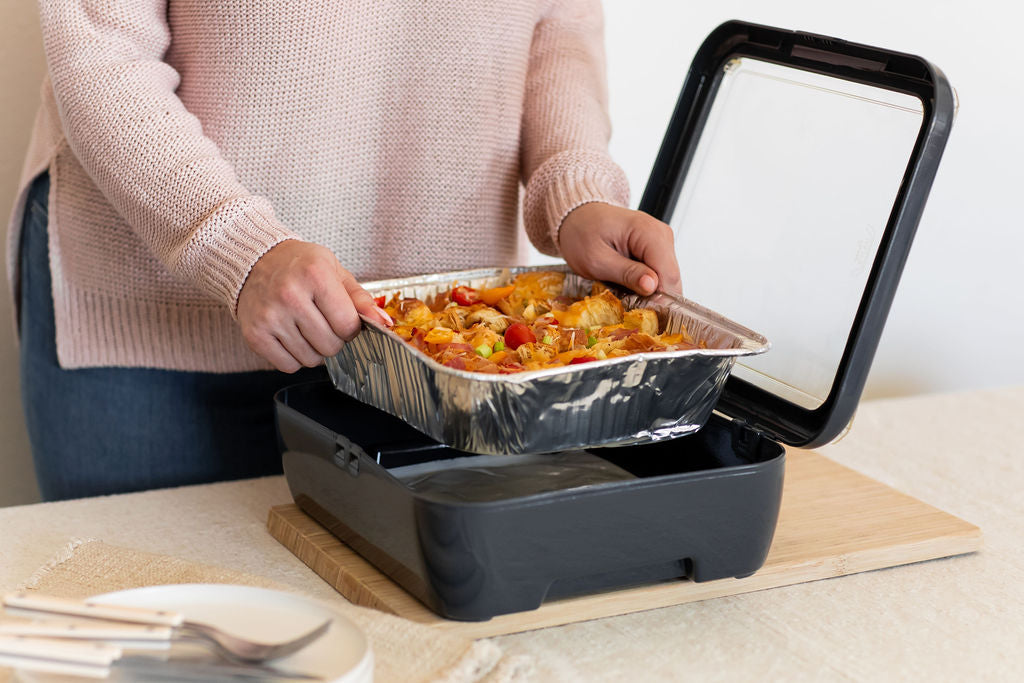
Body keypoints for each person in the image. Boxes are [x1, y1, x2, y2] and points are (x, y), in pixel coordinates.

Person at [8, 1, 682, 501]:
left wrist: (577, 191)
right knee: (145, 641)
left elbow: (558, 27)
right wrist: (235, 246)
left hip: (426, 347)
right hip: (159, 316)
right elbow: (100, 47)